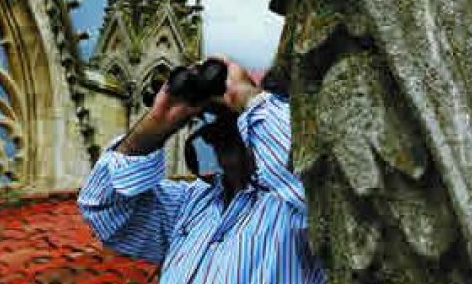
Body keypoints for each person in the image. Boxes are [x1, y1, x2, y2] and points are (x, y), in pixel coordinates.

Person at [77, 56, 326, 284]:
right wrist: (158, 122)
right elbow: (102, 207)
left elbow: (318, 172)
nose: (225, 130)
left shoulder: (294, 210)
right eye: (217, 123)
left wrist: (249, 98)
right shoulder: (190, 204)